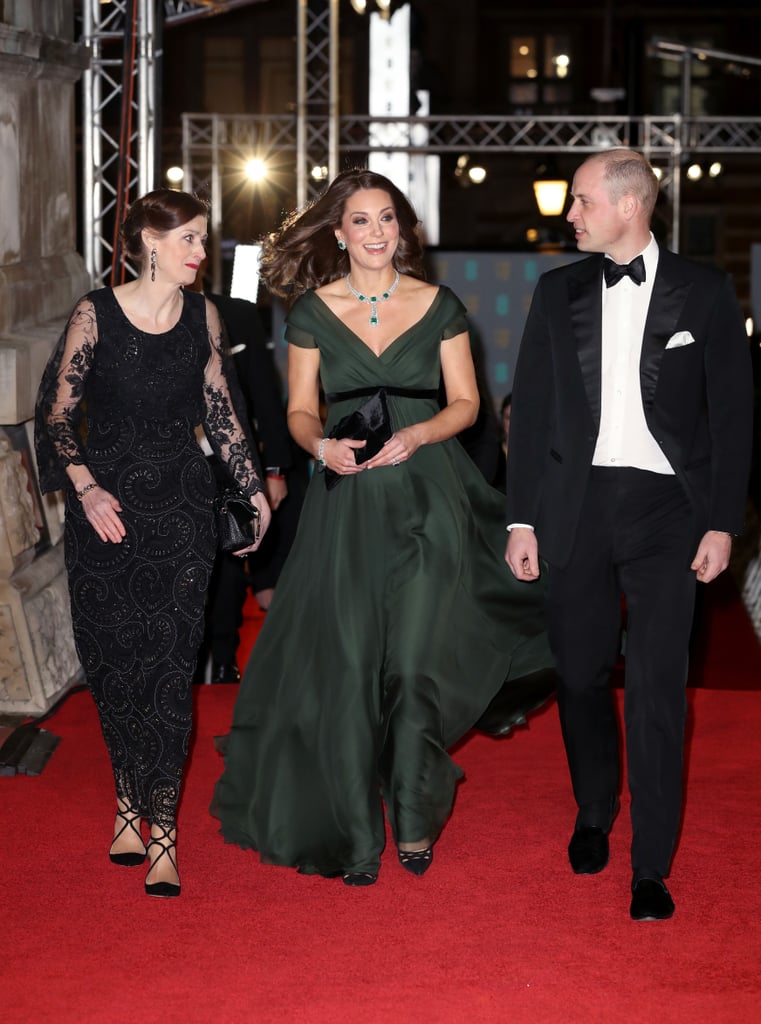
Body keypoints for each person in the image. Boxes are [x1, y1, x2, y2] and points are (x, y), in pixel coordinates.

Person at [211, 168, 556, 886]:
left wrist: (424, 432)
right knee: (352, 664)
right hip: (347, 504)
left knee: (416, 663)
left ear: (403, 230)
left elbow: (467, 404)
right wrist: (318, 446)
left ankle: (416, 814)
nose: (375, 232)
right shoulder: (310, 311)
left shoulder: (438, 305)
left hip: (429, 496)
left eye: (386, 219)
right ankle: (355, 821)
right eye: (360, 221)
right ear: (339, 233)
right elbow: (299, 409)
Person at [504, 149, 753, 921]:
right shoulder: (556, 291)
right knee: (579, 676)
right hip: (575, 507)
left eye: (579, 201)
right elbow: (533, 410)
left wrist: (720, 520)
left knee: (653, 688)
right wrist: (521, 517)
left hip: (667, 513)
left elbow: (734, 414)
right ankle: (592, 809)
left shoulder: (704, 291)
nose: (568, 214)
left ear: (627, 206)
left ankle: (651, 865)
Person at [34, 188, 271, 898]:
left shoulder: (203, 316)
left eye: (204, 238)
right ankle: (126, 799)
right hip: (104, 515)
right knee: (114, 668)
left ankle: (161, 828)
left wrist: (252, 488)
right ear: (147, 240)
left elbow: (221, 409)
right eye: (190, 239)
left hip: (179, 511)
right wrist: (86, 487)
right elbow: (54, 417)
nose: (202, 251)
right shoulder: (95, 313)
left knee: (170, 671)